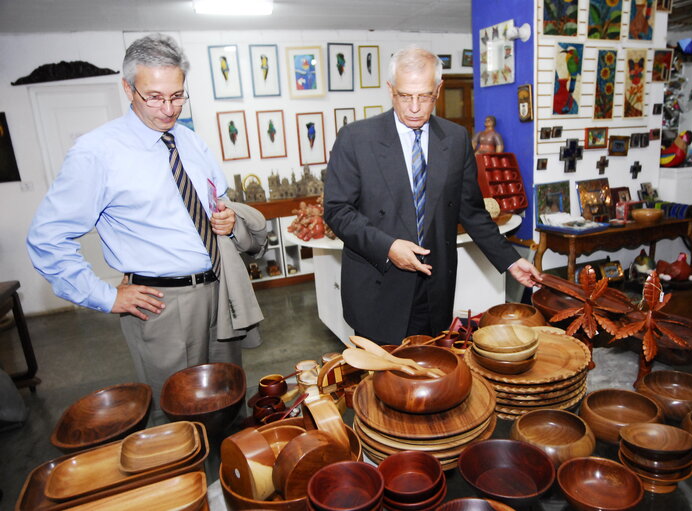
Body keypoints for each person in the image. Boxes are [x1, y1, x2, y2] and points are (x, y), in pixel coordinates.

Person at [27, 34, 267, 405]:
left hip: (219, 292)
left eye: (177, 95)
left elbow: (214, 200)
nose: (168, 108)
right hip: (162, 305)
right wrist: (104, 296)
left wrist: (229, 217)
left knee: (227, 396)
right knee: (177, 409)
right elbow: (47, 239)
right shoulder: (97, 152)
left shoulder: (189, 141)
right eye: (154, 96)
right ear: (127, 88)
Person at [324, 47, 540, 346]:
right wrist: (388, 247)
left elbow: (472, 211)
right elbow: (337, 211)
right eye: (404, 96)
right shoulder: (356, 138)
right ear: (390, 90)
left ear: (438, 90)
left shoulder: (455, 138)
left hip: (433, 286)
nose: (414, 107)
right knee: (381, 383)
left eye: (424, 96)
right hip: (377, 287)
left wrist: (511, 261)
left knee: (431, 376)